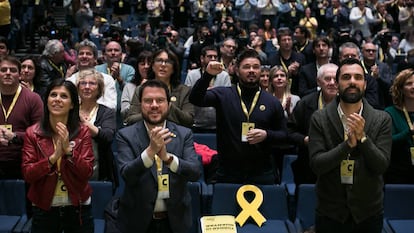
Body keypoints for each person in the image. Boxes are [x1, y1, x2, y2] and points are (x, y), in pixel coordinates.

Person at [308, 58, 392, 233]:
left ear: (365, 84)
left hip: (368, 214)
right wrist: (347, 145)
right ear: (337, 84)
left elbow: (381, 165)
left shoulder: (382, 119)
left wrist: (363, 139)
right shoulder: (319, 118)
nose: (352, 81)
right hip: (330, 213)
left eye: (358, 77)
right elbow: (317, 165)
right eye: (346, 77)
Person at [115, 79, 201, 233]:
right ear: (140, 104)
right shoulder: (125, 135)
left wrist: (167, 158)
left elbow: (195, 172)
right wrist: (150, 151)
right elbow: (127, 174)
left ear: (169, 104)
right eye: (148, 101)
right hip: (137, 222)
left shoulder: (184, 134)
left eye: (160, 100)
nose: (154, 105)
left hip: (176, 221)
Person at [190, 49, 287, 184]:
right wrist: (207, 75)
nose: (251, 70)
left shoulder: (272, 102)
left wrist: (267, 135)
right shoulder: (224, 95)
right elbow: (195, 99)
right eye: (246, 67)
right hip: (228, 172)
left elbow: (284, 135)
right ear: (236, 70)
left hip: (262, 173)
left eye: (256, 67)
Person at [22, 79, 94, 233]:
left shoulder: (82, 132)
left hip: (77, 206)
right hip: (44, 207)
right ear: (46, 100)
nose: (57, 99)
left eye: (64, 96)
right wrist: (53, 158)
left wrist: (69, 151)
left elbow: (87, 172)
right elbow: (28, 174)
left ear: (72, 104)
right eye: (53, 95)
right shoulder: (32, 133)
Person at [288, 63, 338, 185]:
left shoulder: (349, 103)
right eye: (327, 79)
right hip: (309, 164)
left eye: (336, 79)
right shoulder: (305, 103)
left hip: (338, 165)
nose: (332, 83)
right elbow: (290, 131)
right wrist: (304, 140)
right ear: (318, 82)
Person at [126, 49, 194, 128]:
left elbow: (189, 121)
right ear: (153, 66)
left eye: (168, 61)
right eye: (159, 60)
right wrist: (152, 114)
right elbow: (130, 120)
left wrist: (168, 107)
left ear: (173, 68)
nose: (163, 65)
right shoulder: (141, 89)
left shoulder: (184, 91)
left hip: (175, 136)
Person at [0, 56, 43, 179]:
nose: (8, 73)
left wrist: (15, 136)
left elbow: (41, 134)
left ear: (20, 75)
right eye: (3, 70)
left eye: (12, 70)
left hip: (23, 162)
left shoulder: (33, 99)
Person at [77, 69, 117, 184]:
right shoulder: (70, 110)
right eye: (83, 83)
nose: (87, 87)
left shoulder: (106, 112)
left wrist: (84, 123)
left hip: (99, 170)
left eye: (92, 83)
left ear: (99, 88)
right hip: (72, 169)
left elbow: (107, 137)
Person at [185, 45, 231, 133]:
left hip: (218, 124)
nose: (213, 59)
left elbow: (227, 100)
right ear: (202, 58)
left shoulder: (224, 75)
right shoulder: (192, 74)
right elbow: (188, 97)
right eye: (209, 56)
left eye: (215, 57)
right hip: (196, 123)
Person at [67, 39, 117, 110]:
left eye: (88, 54)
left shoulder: (107, 79)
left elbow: (112, 106)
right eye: (81, 53)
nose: (84, 56)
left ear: (95, 59)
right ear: (77, 58)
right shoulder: (70, 81)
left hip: (101, 119)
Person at [385, 68, 414, 184]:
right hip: (398, 174)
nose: (413, 86)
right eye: (409, 84)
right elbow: (388, 142)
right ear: (400, 88)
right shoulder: (390, 113)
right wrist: (409, 132)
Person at [121, 50, 153, 119]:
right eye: (142, 64)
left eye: (149, 64)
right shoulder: (129, 87)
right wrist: (139, 91)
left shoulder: (161, 87)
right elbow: (124, 114)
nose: (146, 66)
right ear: (137, 66)